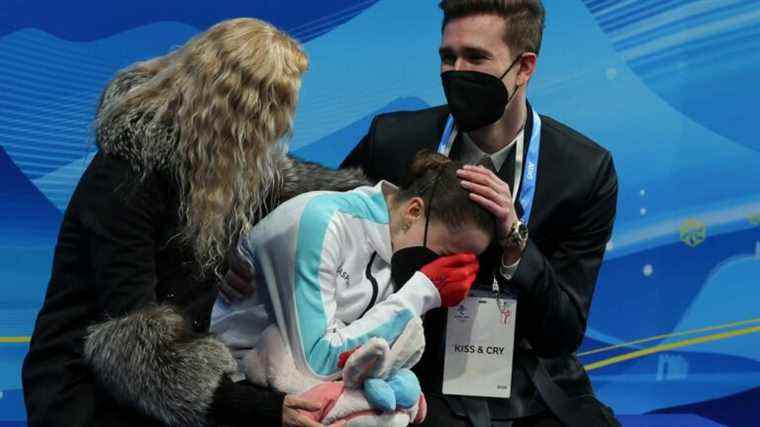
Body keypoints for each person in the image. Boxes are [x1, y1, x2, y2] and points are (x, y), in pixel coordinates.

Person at [224, 1, 620, 426]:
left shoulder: (583, 171)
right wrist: (233, 252)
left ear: (524, 68)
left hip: (527, 383)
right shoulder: (395, 140)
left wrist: (515, 240)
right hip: (410, 373)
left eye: (476, 57)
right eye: (448, 57)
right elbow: (305, 210)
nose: (456, 71)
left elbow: (562, 333)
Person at [21, 18, 369, 427]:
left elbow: (290, 184)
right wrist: (264, 410)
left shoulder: (217, 163)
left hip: (151, 390)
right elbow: (137, 341)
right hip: (84, 395)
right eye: (276, 107)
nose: (279, 125)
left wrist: (391, 198)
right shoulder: (125, 178)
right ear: (234, 107)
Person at [212, 152, 494, 425]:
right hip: (237, 387)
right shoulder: (322, 222)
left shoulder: (398, 245)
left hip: (303, 387)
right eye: (447, 253)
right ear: (414, 210)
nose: (449, 268)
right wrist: (421, 293)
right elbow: (316, 362)